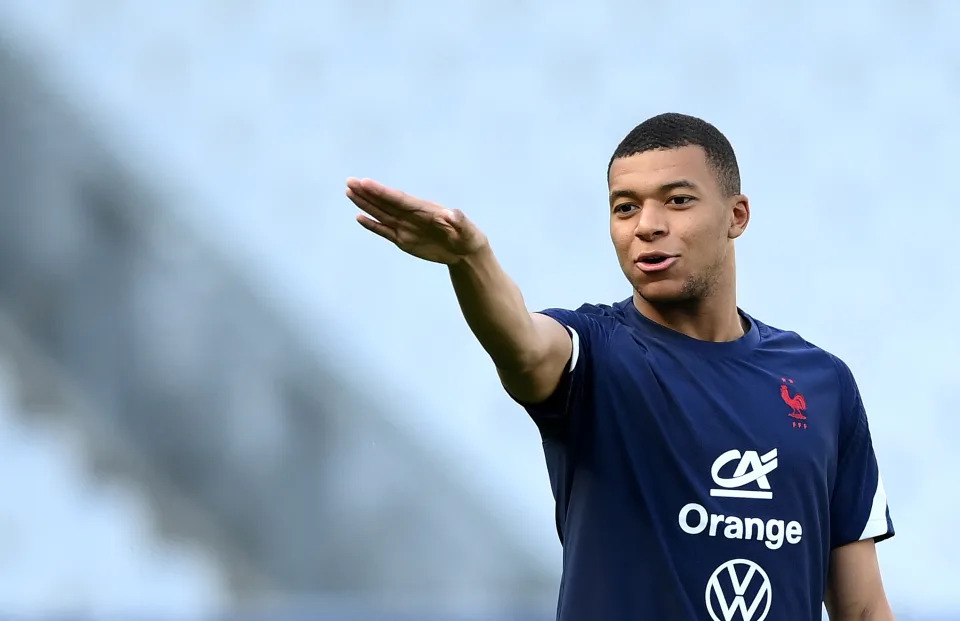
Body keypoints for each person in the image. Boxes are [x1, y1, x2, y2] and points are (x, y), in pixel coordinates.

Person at [345, 113, 895, 621]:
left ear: (737, 215)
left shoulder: (821, 384)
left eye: (677, 201)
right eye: (625, 206)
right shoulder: (595, 353)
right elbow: (523, 343)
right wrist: (471, 261)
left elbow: (863, 609)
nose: (646, 225)